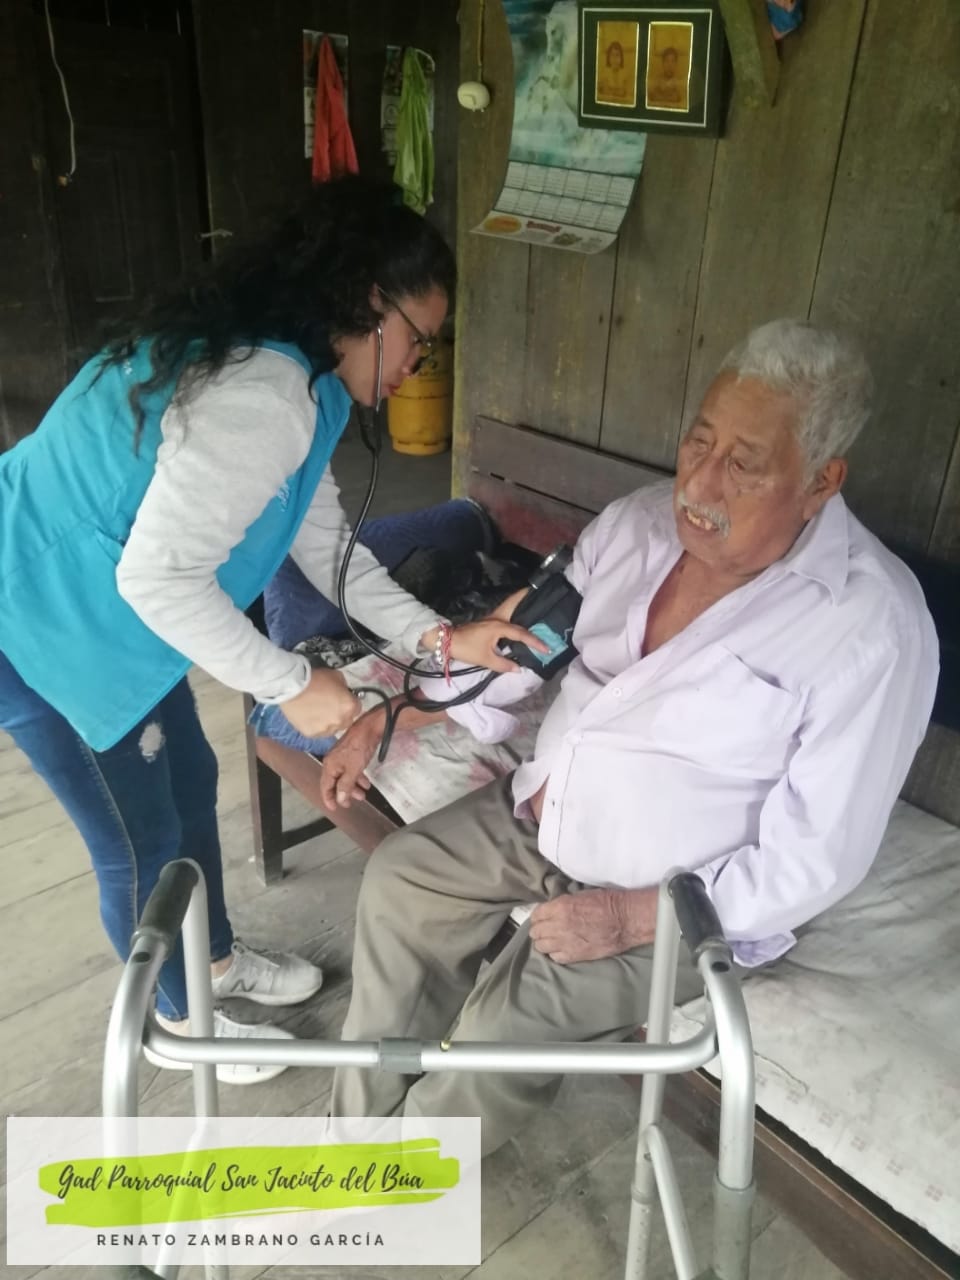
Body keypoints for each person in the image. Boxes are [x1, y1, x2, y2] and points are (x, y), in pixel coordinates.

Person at [321, 319, 939, 1152]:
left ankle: (400, 1182)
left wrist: (628, 915)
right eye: (699, 442)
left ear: (822, 480)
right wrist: (390, 713)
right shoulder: (638, 524)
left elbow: (815, 857)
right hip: (545, 814)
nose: (700, 484)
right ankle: (352, 1141)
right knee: (403, 881)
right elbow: (517, 647)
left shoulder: (870, 626)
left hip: (678, 894)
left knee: (503, 1029)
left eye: (744, 465)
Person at [0, 176, 538, 1085]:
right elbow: (157, 578)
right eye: (419, 338)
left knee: (189, 779)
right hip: (43, 625)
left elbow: (325, 546)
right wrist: (293, 683)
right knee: (137, 843)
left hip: (116, 622)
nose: (418, 365)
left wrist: (442, 642)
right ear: (370, 302)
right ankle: (178, 1024)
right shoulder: (263, 395)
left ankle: (210, 962)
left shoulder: (309, 385)